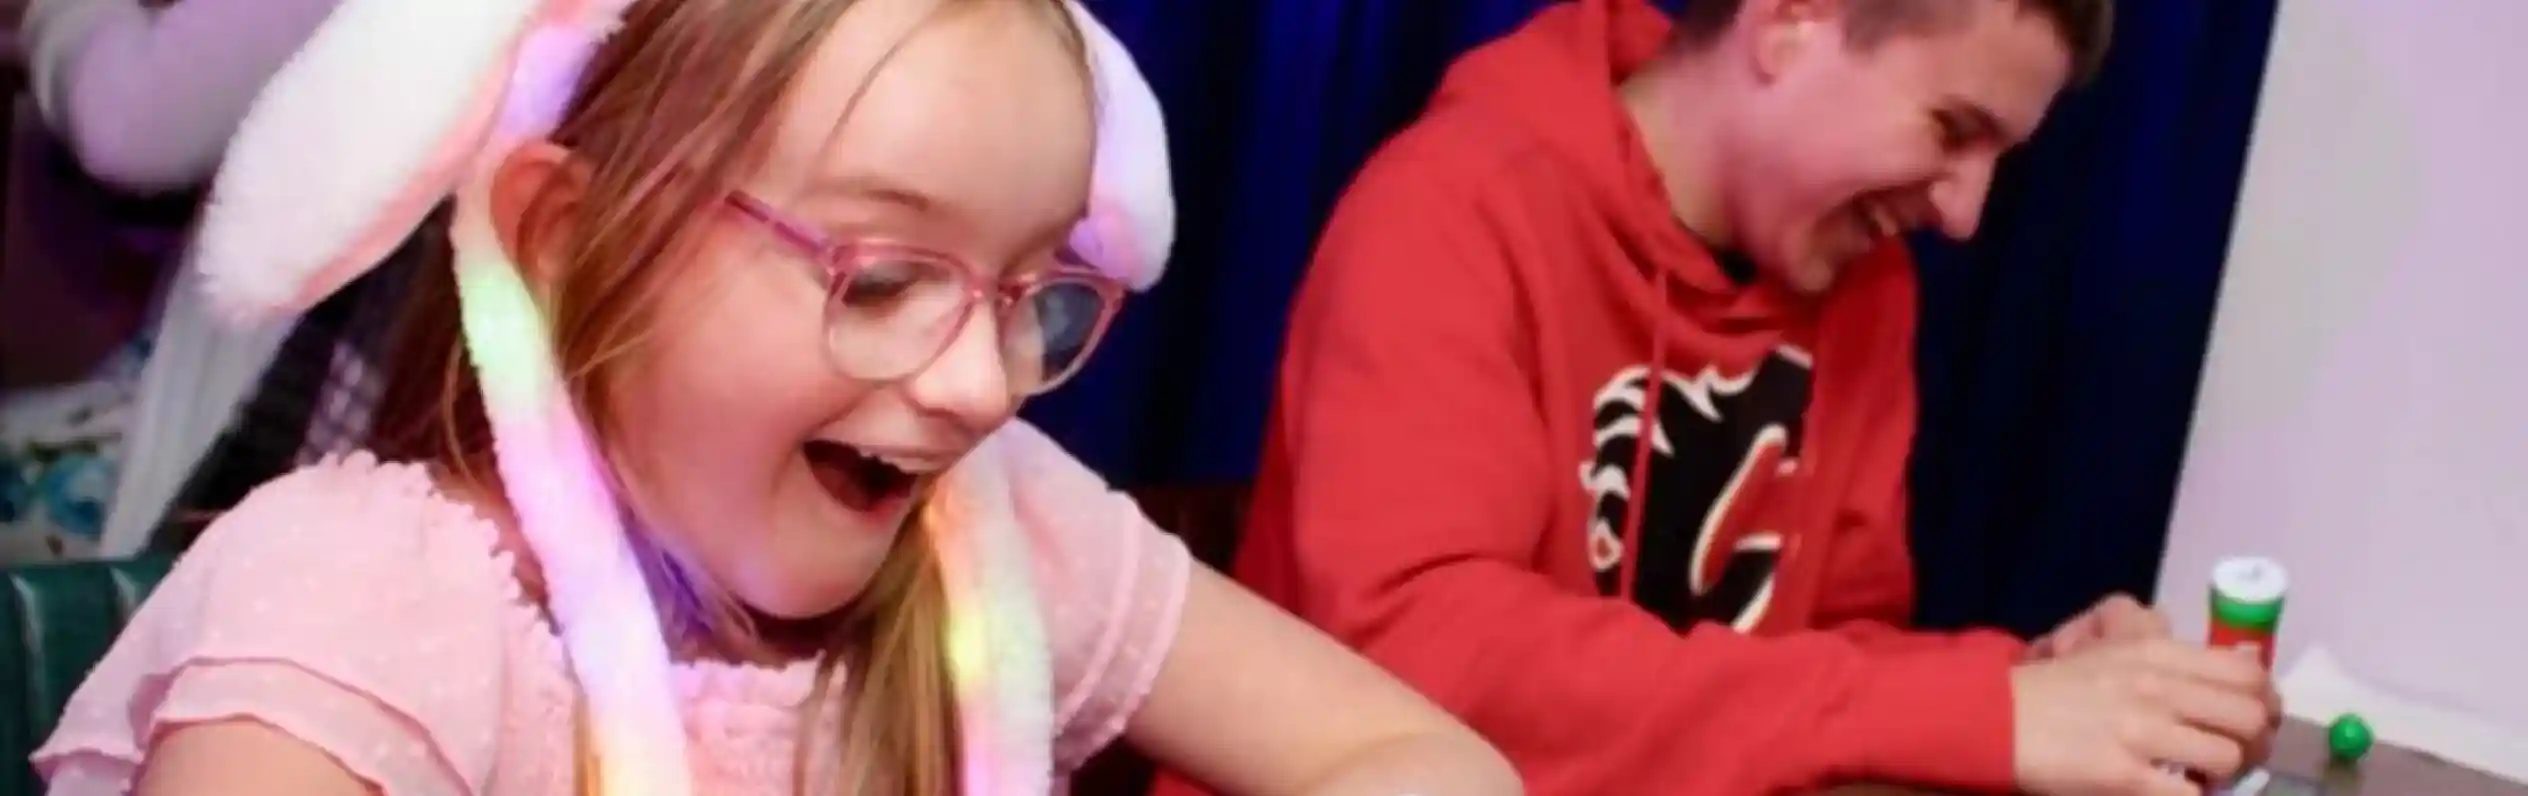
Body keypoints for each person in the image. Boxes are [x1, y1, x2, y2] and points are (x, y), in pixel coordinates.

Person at [28, 0, 1521, 793]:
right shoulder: (363, 606)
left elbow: (1425, 762)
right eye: (879, 281)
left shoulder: (995, 539)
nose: (979, 387)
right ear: (559, 240)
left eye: (1034, 296)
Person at [1169, 0, 2280, 795]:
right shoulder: (1450, 211)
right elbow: (1422, 663)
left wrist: (2022, 681)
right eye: (1952, 130)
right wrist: (1974, 715)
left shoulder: (1859, 282)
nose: (1965, 212)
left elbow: (1828, 659)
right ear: (1788, 20)